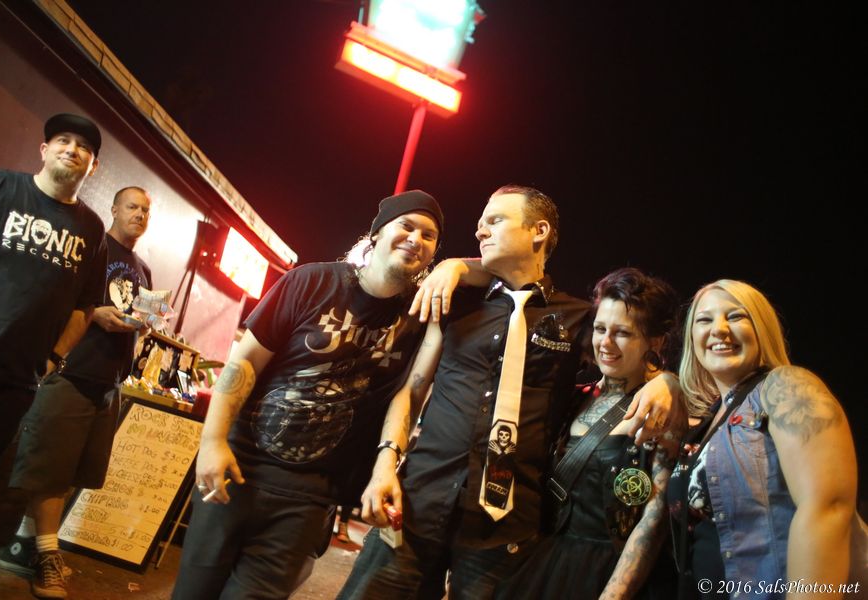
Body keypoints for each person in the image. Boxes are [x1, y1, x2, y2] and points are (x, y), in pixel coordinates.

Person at [339, 186, 682, 599]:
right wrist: (384, 466)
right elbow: (411, 392)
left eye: (495, 220)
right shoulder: (457, 299)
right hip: (417, 503)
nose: (480, 230)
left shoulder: (578, 318)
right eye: (481, 223)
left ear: (539, 231)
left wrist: (668, 380)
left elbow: (626, 354)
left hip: (505, 529)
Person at [171, 190, 444, 600]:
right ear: (376, 234)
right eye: (406, 226)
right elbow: (246, 362)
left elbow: (406, 396)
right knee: (193, 591)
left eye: (429, 235)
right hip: (239, 468)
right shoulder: (312, 281)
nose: (416, 239)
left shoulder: (418, 320)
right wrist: (212, 441)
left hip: (311, 494)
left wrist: (385, 465)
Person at [0, 187, 153, 598]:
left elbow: (138, 317)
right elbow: (61, 298)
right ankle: (47, 555)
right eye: (132, 206)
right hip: (73, 370)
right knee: (48, 468)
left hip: (109, 381)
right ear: (114, 208)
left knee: (71, 473)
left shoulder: (144, 270)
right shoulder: (93, 247)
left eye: (145, 210)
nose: (139, 214)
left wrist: (147, 323)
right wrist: (95, 315)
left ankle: (23, 545)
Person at [496, 267, 681, 599]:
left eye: (623, 333)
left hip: (609, 572)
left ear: (654, 341)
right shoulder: (574, 397)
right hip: (545, 563)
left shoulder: (661, 407)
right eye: (600, 329)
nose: (606, 343)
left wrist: (614, 594)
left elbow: (653, 521)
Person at [667, 280, 857, 599]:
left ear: (762, 329)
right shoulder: (709, 420)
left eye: (736, 316)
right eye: (704, 319)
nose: (719, 329)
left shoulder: (786, 386)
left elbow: (828, 507)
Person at [0, 113, 108, 495]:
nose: (72, 149)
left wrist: (53, 359)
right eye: (63, 140)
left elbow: (85, 307)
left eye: (84, 147)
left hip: (14, 384)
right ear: (44, 150)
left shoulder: (92, 230)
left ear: (93, 167)